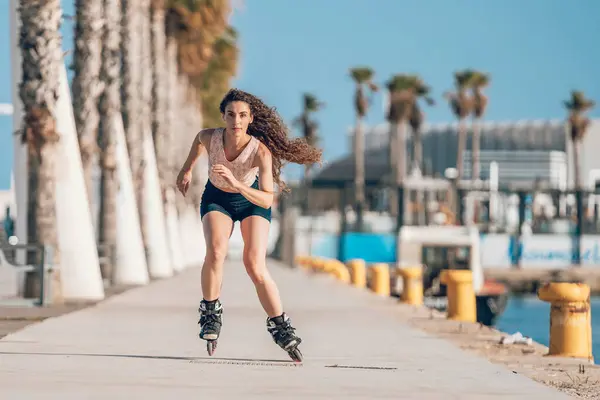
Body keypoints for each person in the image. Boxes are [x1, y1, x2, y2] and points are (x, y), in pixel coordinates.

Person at [176, 88, 322, 359]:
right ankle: (210, 312)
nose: (236, 121)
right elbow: (198, 141)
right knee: (216, 251)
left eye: (242, 115)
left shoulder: (260, 153)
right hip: (217, 198)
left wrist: (235, 183)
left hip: (252, 200)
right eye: (231, 115)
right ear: (223, 116)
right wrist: (186, 168)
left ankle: (280, 325)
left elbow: (267, 200)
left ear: (250, 119)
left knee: (254, 264)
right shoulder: (211, 137)